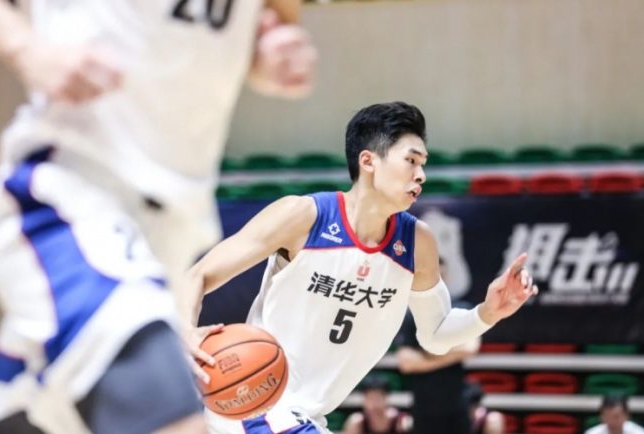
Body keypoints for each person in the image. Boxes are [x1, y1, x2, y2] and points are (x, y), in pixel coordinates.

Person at [0, 1, 317, 433]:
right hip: (72, 185)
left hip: (174, 222)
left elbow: (268, 20)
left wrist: (269, 50)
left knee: (43, 414)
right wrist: (27, 50)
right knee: (174, 418)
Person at [180, 101, 539, 433]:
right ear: (368, 161)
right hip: (256, 403)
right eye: (411, 161)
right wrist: (185, 332)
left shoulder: (417, 243)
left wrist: (487, 313)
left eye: (424, 164)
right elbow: (197, 275)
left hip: (306, 416)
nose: (421, 175)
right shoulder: (304, 216)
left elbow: (435, 334)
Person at [395, 304, 480, 434]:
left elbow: (470, 348)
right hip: (424, 408)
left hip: (457, 405)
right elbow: (406, 363)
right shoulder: (412, 316)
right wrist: (452, 351)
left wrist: (427, 354)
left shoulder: (459, 309)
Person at [342, 374, 411, 434]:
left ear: (385, 397)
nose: (374, 403)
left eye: (377, 398)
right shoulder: (357, 423)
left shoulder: (400, 421)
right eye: (370, 398)